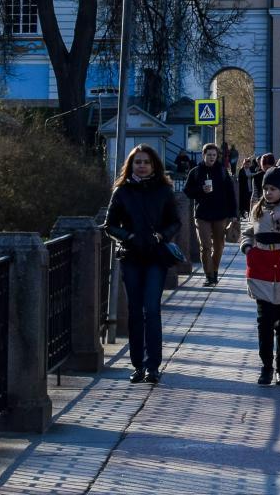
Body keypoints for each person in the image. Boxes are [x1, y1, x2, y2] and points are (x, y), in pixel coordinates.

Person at [103, 144, 182, 385]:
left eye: (146, 162)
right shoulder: (122, 191)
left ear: (154, 165)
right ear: (131, 165)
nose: (142, 165)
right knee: (135, 311)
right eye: (138, 162)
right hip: (132, 257)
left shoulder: (164, 190)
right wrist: (128, 237)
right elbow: (109, 225)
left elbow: (175, 222)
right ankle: (138, 365)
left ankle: (153, 366)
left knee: (152, 309)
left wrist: (161, 236)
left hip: (156, 257)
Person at [242, 167, 280, 385]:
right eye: (265, 188)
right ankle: (266, 367)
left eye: (273, 188)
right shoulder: (257, 209)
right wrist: (247, 248)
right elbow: (248, 231)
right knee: (264, 322)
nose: (268, 193)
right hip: (261, 269)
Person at [185, 142, 240, 286]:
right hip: (202, 214)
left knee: (219, 246)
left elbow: (230, 194)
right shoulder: (196, 172)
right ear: (203, 155)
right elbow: (187, 192)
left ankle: (214, 271)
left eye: (214, 155)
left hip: (220, 214)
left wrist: (234, 213)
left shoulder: (222, 171)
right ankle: (209, 276)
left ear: (217, 156)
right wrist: (201, 190)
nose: (211, 157)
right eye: (209, 155)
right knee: (205, 247)